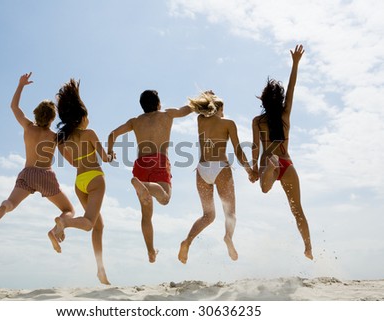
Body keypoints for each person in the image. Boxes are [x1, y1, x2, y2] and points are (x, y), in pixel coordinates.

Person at [0, 72, 75, 248]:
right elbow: (71, 161)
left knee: (11, 202)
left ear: (36, 114)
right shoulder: (55, 137)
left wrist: (20, 85)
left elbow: (14, 107)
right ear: (51, 119)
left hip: (27, 173)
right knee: (68, 210)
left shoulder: (28, 127)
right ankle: (57, 228)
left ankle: (4, 207)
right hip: (45, 176)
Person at [107, 90, 192, 263]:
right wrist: (202, 100)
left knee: (146, 215)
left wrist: (110, 152)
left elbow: (112, 135)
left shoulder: (135, 121)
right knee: (165, 199)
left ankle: (151, 252)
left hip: (140, 166)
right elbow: (186, 110)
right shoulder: (167, 114)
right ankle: (146, 187)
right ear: (158, 103)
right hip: (159, 161)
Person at [178, 91, 256, 264]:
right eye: (223, 110)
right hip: (221, 168)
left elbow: (200, 110)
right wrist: (249, 171)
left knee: (208, 215)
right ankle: (228, 237)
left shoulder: (200, 121)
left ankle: (187, 241)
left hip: (202, 169)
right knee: (230, 213)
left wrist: (208, 96)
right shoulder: (228, 123)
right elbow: (238, 151)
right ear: (219, 108)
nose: (224, 113)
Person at [251, 44, 313, 260]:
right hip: (288, 164)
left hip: (270, 163)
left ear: (264, 100)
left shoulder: (258, 121)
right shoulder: (285, 115)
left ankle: (271, 165)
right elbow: (292, 87)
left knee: (265, 189)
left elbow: (256, 147)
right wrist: (295, 64)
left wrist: (254, 168)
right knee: (297, 210)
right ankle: (308, 248)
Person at [52, 78, 111, 285]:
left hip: (79, 183)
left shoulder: (62, 140)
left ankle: (100, 270)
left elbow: (72, 162)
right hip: (95, 178)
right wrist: (110, 155)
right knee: (88, 224)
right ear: (83, 117)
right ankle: (64, 222)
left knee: (98, 225)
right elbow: (105, 158)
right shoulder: (90, 134)